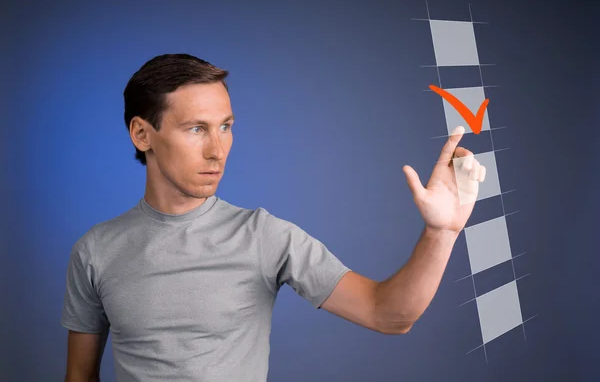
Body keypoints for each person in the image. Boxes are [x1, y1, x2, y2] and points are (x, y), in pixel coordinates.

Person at [61, 53, 486, 382]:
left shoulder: (265, 237)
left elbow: (388, 315)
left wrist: (441, 232)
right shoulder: (96, 250)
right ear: (142, 134)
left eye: (226, 126)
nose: (218, 149)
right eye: (196, 129)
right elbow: (79, 377)